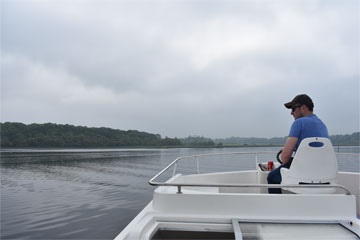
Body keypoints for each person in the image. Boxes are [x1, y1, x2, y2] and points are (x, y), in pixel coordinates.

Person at [267, 94, 329, 194]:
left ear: (303, 108)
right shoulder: (322, 124)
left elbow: (285, 157)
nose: (291, 113)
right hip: (322, 175)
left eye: (293, 109)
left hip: (303, 174)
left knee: (272, 177)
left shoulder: (299, 122)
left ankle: (277, 208)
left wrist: (287, 154)